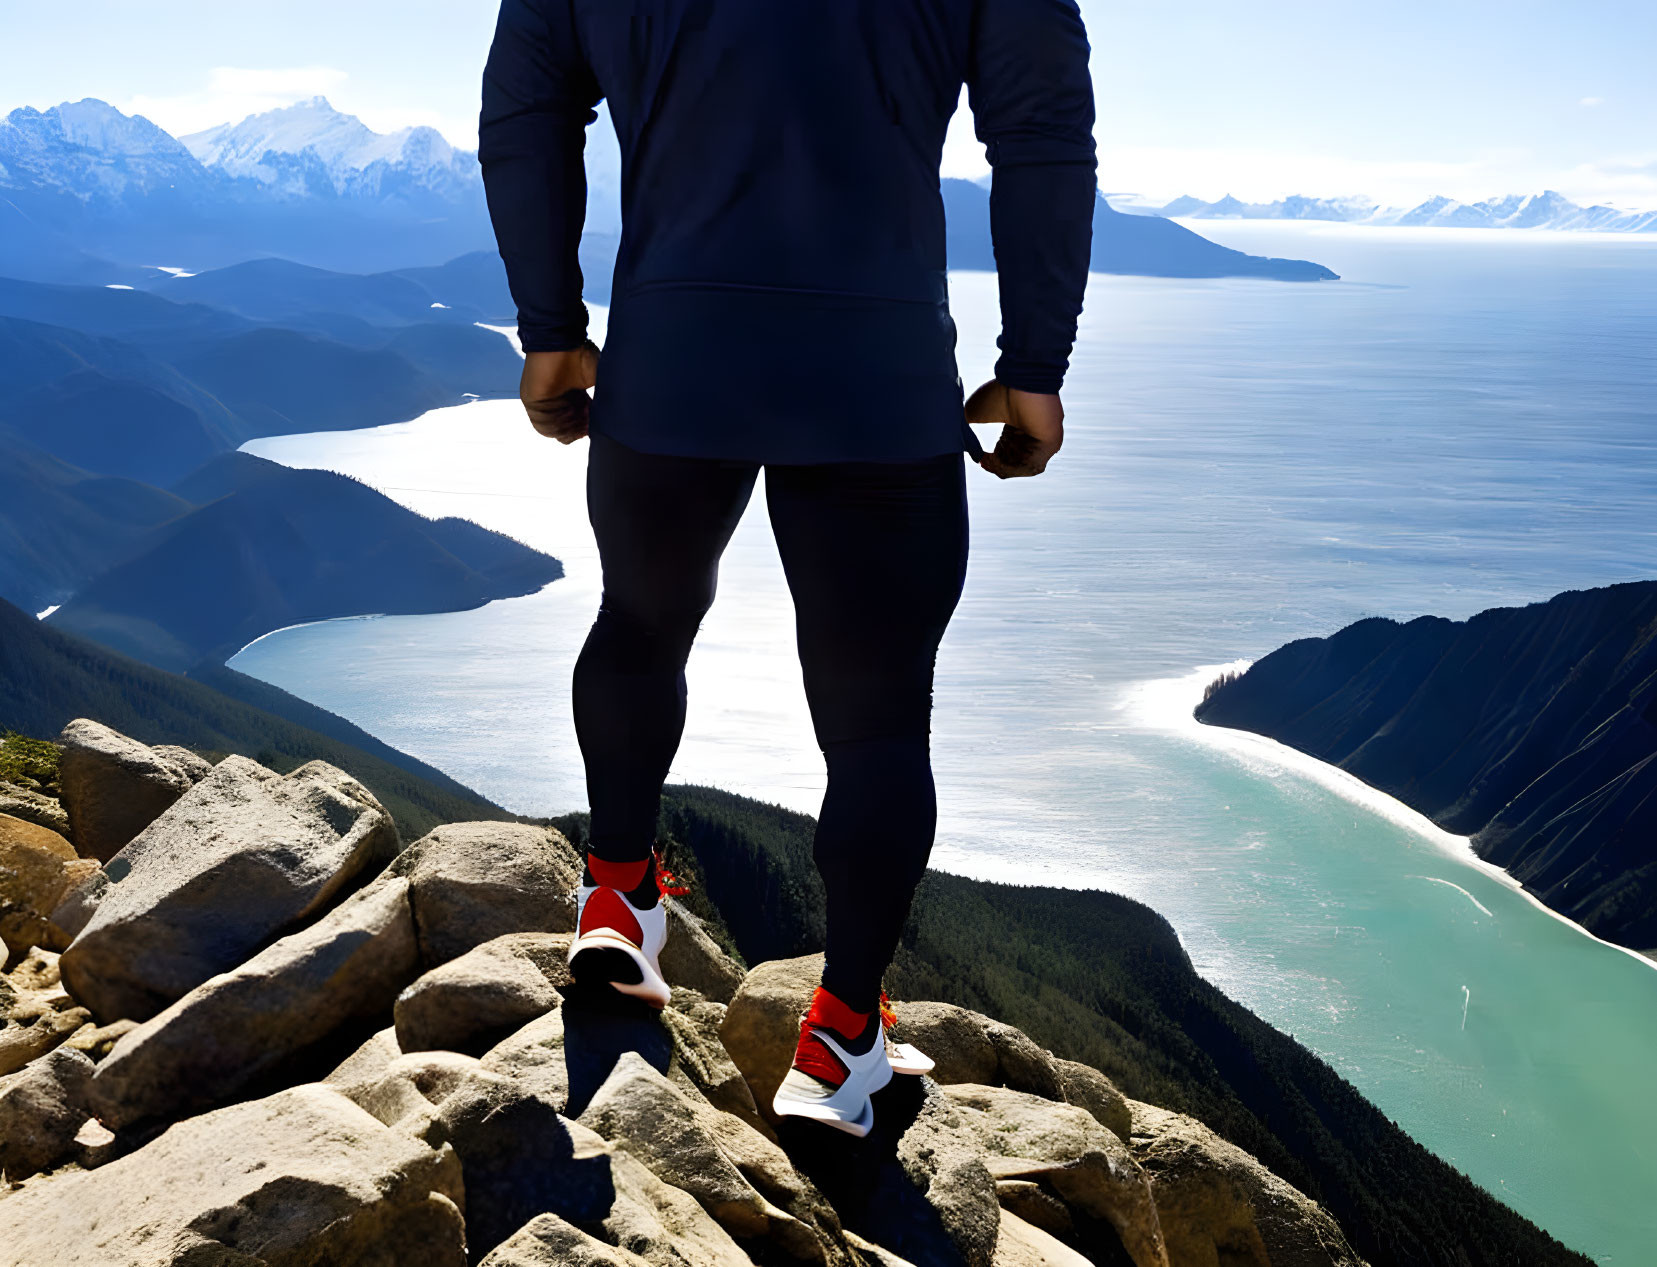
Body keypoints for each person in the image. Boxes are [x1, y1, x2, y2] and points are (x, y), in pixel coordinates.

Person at [480, 0, 1095, 1137]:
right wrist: (1034, 362)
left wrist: (549, 326)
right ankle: (839, 1037)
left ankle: (616, 894)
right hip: (878, 376)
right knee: (875, 723)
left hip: (671, 363)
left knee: (639, 622)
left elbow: (526, 115)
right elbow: (1043, 135)